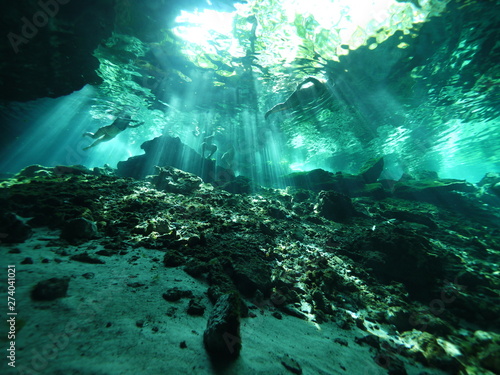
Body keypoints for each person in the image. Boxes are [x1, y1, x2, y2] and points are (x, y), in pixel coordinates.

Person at [264, 77, 329, 119]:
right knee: (286, 104)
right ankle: (270, 112)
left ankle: (273, 112)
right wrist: (301, 85)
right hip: (300, 93)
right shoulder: (320, 84)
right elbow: (310, 78)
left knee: (289, 107)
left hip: (303, 99)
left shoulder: (324, 91)